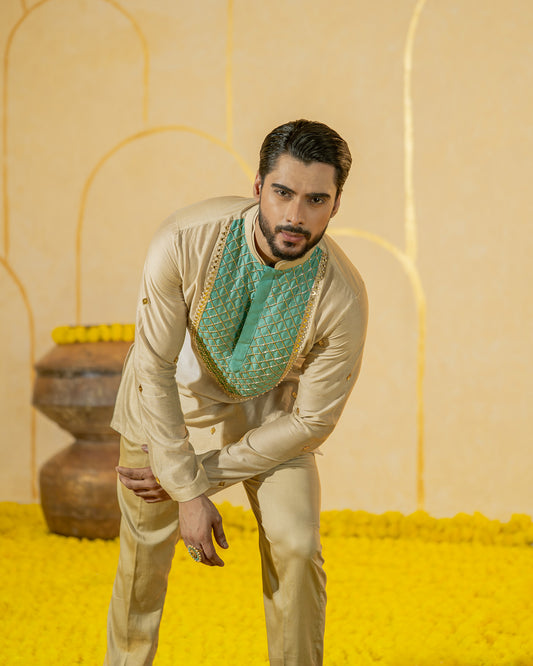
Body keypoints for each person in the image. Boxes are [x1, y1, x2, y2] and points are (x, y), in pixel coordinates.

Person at [104, 119, 368, 666]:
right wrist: (183, 486)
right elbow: (153, 365)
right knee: (142, 559)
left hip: (271, 420)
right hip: (164, 405)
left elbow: (312, 421)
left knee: (296, 545)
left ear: (336, 204)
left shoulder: (343, 297)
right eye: (283, 192)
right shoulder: (183, 240)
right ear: (258, 187)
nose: (295, 216)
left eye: (316, 199)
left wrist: (196, 480)